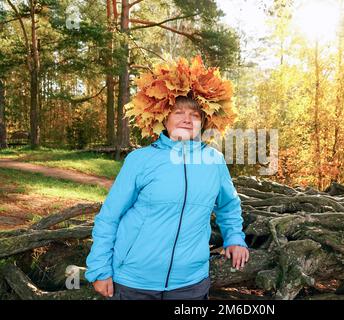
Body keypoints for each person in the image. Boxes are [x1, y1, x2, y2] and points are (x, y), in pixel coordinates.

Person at [85, 56, 249, 300]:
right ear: (164, 118)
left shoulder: (214, 161)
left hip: (190, 284)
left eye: (194, 115)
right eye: (178, 112)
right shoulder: (140, 160)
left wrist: (234, 238)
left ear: (203, 122)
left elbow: (228, 206)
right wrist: (100, 269)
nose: (186, 119)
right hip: (134, 281)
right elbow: (109, 217)